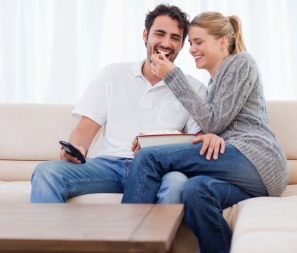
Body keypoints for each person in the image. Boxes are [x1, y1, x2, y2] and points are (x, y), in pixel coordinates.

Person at [121, 11, 288, 253]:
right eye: (190, 43)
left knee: (149, 157)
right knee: (196, 190)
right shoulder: (213, 84)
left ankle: (124, 244)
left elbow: (213, 120)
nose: (191, 49)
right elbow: (215, 124)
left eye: (198, 42)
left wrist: (172, 76)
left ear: (223, 42)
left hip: (257, 158)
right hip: (246, 170)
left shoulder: (241, 63)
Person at [30, 5, 224, 204]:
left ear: (182, 45)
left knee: (177, 182)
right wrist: (76, 150)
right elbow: (84, 130)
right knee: (47, 172)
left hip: (160, 169)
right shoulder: (113, 75)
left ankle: (152, 236)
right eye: (160, 34)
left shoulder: (194, 89)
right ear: (145, 35)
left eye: (175, 38)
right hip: (109, 166)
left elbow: (195, 141)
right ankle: (51, 236)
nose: (166, 43)